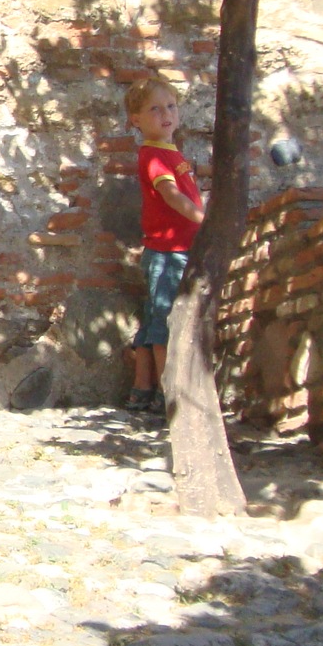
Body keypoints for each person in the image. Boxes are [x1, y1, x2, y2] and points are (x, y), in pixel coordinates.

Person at [125, 75, 204, 412]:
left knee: (154, 318)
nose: (165, 114)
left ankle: (142, 387)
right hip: (169, 253)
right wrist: (203, 220)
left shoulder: (170, 153)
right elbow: (171, 195)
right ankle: (167, 392)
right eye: (154, 109)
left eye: (170, 106)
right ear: (136, 120)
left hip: (175, 249)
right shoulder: (155, 156)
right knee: (165, 322)